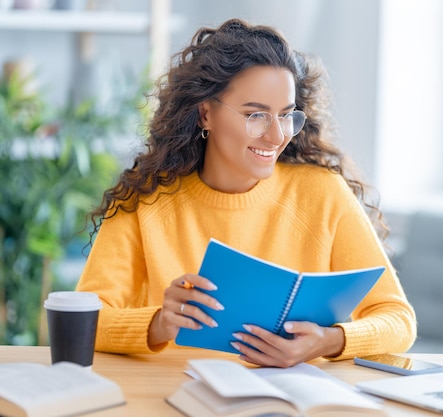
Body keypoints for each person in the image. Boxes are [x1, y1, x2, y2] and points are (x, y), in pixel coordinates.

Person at [76, 18, 416, 368]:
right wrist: (160, 322)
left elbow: (397, 319)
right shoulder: (147, 201)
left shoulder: (323, 193)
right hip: (178, 394)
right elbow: (84, 316)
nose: (276, 136)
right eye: (256, 115)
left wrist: (329, 341)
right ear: (205, 113)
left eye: (286, 116)